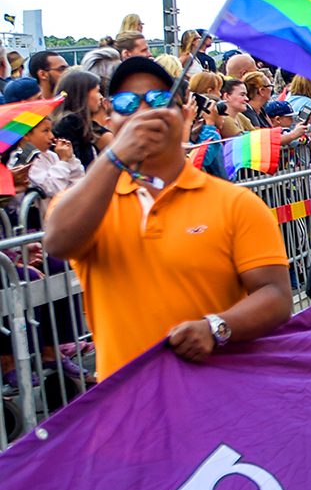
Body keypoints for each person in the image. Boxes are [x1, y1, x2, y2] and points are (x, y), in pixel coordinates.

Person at [42, 56, 293, 379]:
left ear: (184, 112)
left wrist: (217, 327)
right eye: (126, 103)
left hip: (217, 403)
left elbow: (275, 296)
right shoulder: (89, 203)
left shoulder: (236, 203)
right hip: (126, 405)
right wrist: (116, 156)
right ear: (108, 116)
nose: (144, 111)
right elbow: (59, 242)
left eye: (160, 99)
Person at [52, 69, 112, 166]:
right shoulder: (71, 123)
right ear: (83, 94)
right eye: (97, 91)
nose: (101, 97)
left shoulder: (78, 123)